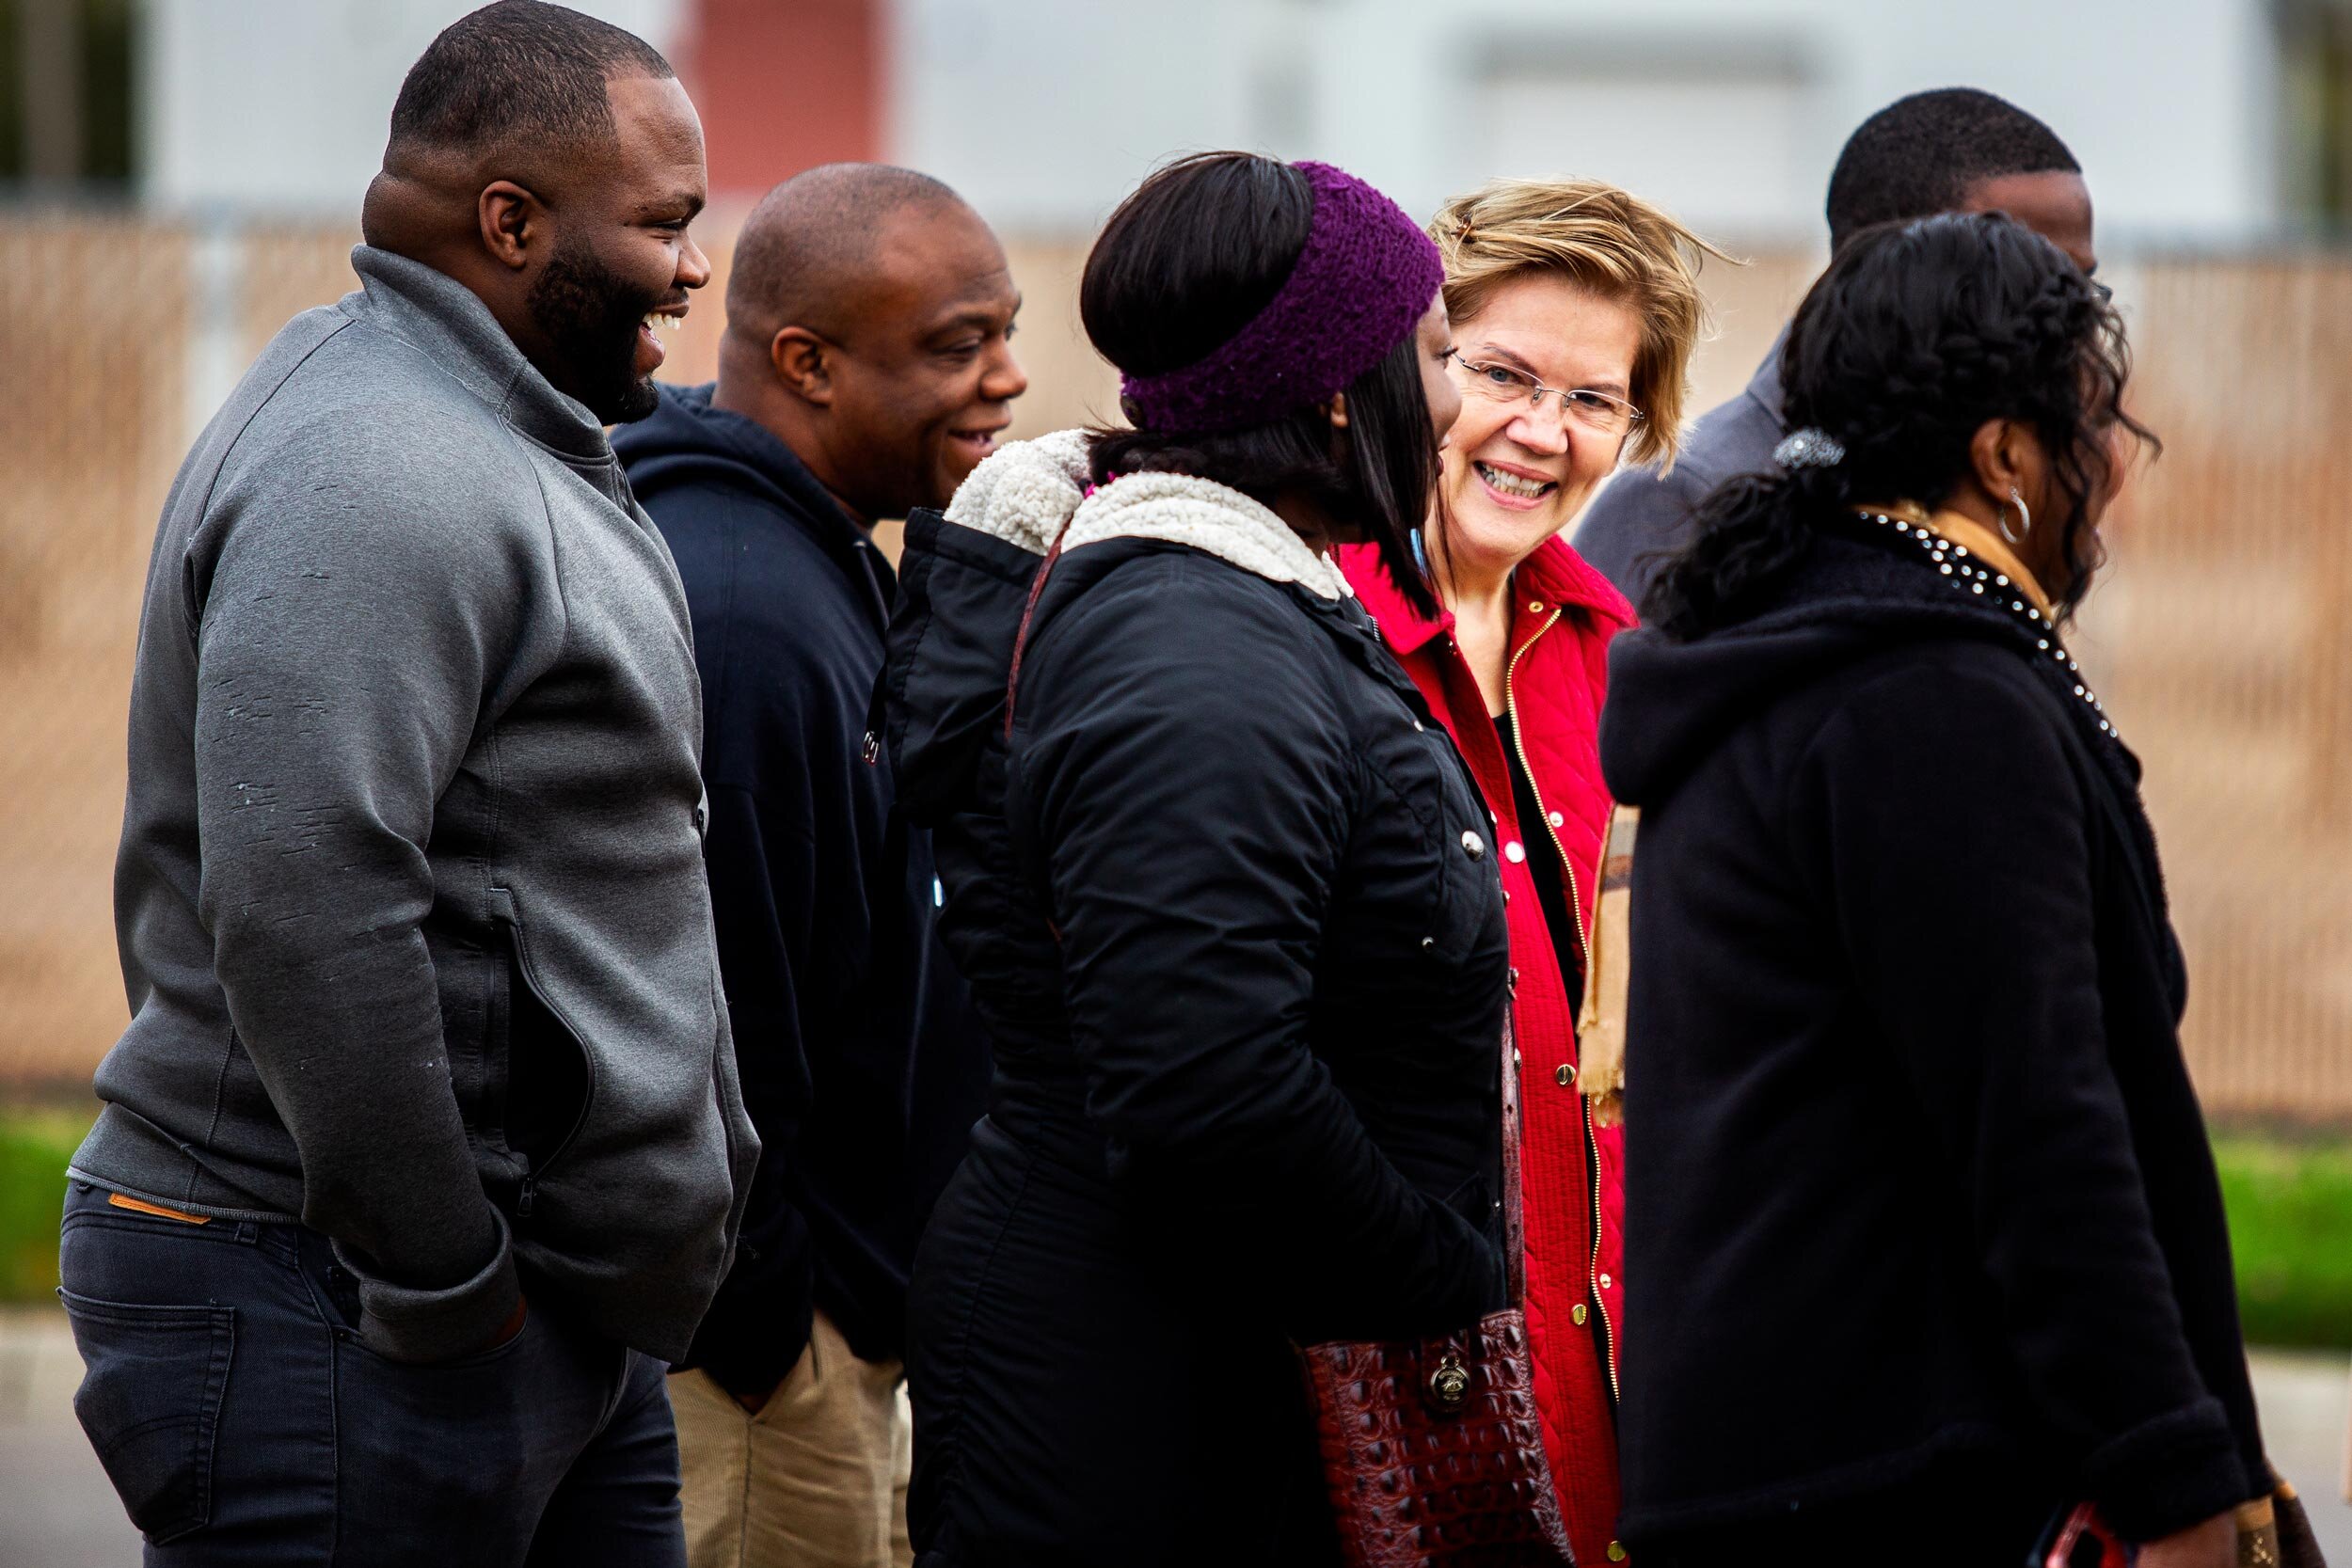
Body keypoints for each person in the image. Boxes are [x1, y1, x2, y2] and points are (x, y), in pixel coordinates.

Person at [60, 3, 756, 1561]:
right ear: (511, 222)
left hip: (522, 1296)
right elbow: (306, 906)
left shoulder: (492, 423)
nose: (696, 267)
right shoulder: (378, 463)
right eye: (663, 224)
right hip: (340, 1290)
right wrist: (450, 1289)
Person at [1600, 212, 2269, 1567]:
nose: (2113, 475)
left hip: (1793, 1469)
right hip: (1905, 1485)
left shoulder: (1810, 655)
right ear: (2006, 454)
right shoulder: (1928, 697)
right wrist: (2179, 1476)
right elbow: (2038, 1121)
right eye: (2100, 428)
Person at [882, 151, 1506, 1565]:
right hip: (1125, 1398)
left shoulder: (1242, 601)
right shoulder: (1193, 648)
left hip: (1199, 1353)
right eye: (1442, 352)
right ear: (1346, 386)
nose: (1460, 400)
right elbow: (1203, 1083)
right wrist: (1443, 1274)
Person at [612, 163, 1024, 1568]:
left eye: (1003, 333)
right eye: (959, 343)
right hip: (756, 1374)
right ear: (808, 362)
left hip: (817, 1330)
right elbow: (707, 1008)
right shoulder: (744, 612)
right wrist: (778, 1324)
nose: (1008, 379)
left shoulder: (821, 558)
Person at [1333, 175, 1714, 1566]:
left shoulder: (1618, 663)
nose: (1541, 434)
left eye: (1595, 400)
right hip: (1376, 1415)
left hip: (1600, 1393)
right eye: (1500, 373)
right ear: (1414, 371)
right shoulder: (1312, 637)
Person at [1575, 87, 2098, 609]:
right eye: (2026, 278)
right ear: (1893, 264)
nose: (2069, 318)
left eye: (2081, 289)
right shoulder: (1688, 493)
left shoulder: (2003, 479)